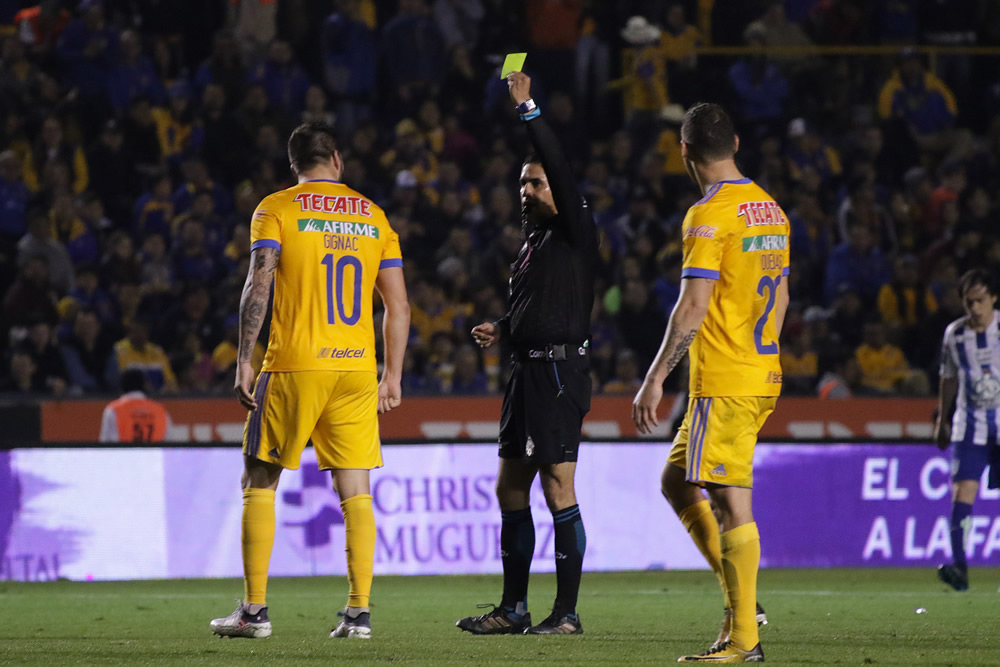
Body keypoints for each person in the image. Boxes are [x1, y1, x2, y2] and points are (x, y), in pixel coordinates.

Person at [209, 122, 410, 640]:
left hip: (296, 362)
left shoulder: (276, 208)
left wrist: (245, 358)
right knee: (356, 491)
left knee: (259, 480)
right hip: (356, 368)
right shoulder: (374, 216)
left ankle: (254, 612)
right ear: (337, 160)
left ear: (293, 163)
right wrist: (392, 375)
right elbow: (398, 305)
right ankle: (358, 614)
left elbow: (259, 282)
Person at [632, 102, 789, 663]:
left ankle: (745, 638)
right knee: (677, 483)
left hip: (725, 379)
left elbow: (693, 306)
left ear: (683, 151)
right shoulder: (770, 210)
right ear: (736, 144)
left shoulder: (709, 214)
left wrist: (655, 378)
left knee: (729, 504)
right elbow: (782, 296)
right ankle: (738, 607)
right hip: (760, 369)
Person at [458, 72, 597, 636]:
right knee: (510, 488)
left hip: (558, 374)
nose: (527, 190)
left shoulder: (575, 230)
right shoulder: (533, 246)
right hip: (525, 373)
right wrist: (503, 328)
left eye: (537, 183)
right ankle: (513, 609)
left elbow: (558, 166)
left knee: (557, 487)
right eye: (522, 183)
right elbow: (538, 309)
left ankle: (566, 614)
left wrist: (528, 109)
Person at [934, 268, 1000, 592]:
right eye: (968, 302)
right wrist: (942, 420)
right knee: (961, 494)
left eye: (980, 300)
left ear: (994, 298)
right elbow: (948, 377)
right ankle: (959, 568)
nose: (974, 308)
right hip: (969, 427)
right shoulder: (955, 334)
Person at [98, 369, 171, 442]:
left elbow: (106, 443)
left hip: (124, 449)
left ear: (122, 385)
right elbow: (170, 442)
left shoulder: (113, 409)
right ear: (144, 385)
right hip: (155, 450)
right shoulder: (160, 410)